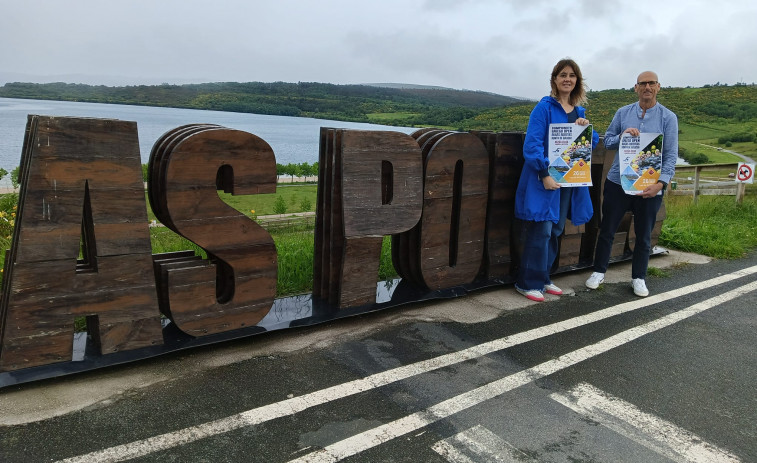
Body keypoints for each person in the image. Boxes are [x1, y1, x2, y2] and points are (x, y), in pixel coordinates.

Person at [585, 71, 678, 297]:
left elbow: (670, 155)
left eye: (651, 83)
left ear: (658, 87)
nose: (647, 87)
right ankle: (599, 271)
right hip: (619, 182)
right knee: (607, 229)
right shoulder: (623, 113)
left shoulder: (668, 118)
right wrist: (623, 136)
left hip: (650, 186)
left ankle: (639, 278)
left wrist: (661, 184)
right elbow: (607, 141)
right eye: (642, 83)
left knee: (644, 235)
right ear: (636, 88)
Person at [514, 58, 598, 302]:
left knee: (556, 230)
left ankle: (544, 277)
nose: (567, 79)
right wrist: (544, 174)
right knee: (541, 229)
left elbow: (591, 144)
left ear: (577, 81)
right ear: (554, 79)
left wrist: (587, 129)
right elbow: (532, 146)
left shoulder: (579, 113)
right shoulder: (543, 108)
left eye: (572, 75)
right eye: (563, 74)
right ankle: (526, 282)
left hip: (567, 182)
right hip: (545, 181)